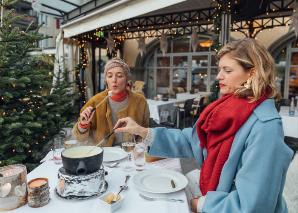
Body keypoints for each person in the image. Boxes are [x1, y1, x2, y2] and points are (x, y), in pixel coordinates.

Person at [113, 38, 294, 212]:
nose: (218, 76)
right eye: (219, 69)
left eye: (227, 70)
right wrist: (143, 132)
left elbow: (254, 205)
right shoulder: (227, 109)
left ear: (252, 73)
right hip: (215, 197)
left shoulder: (265, 127)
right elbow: (194, 140)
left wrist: (200, 205)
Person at [72, 57, 149, 146]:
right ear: (106, 80)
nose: (114, 80)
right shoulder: (95, 102)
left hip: (130, 153)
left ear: (127, 79)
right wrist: (83, 125)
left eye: (119, 76)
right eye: (109, 76)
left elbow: (145, 131)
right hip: (103, 154)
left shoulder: (140, 101)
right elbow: (79, 138)